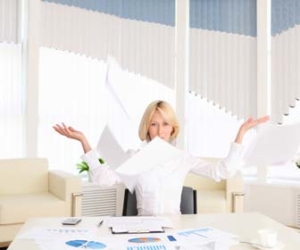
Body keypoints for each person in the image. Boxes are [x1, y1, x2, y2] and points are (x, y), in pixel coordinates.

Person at [53, 100, 269, 216]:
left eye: (165, 124)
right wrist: (84, 140)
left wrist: (241, 133)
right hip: (141, 232)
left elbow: (222, 171)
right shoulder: (135, 157)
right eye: (154, 124)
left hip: (174, 231)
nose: (159, 130)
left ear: (173, 128)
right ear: (147, 128)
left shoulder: (182, 158)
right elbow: (104, 179)